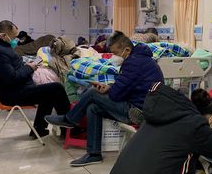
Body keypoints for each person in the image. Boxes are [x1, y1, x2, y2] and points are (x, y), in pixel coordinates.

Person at [45, 31, 164, 166]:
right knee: (93, 108)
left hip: (139, 113)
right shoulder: (141, 59)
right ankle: (93, 154)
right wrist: (109, 88)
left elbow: (117, 95)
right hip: (143, 107)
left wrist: (110, 90)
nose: (114, 57)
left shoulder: (134, 63)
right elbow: (126, 86)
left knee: (93, 93)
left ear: (126, 50)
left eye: (116, 53)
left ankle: (70, 119)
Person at [0, 20, 70, 137]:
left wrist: (26, 66)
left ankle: (39, 129)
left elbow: (8, 70)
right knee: (56, 88)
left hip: (10, 88)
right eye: (14, 37)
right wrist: (29, 68)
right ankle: (70, 129)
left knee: (48, 91)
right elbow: (11, 78)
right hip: (11, 94)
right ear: (2, 36)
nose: (15, 40)